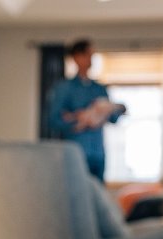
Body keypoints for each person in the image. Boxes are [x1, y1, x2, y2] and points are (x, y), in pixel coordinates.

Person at [49, 39, 126, 182]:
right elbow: (53, 120)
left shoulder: (99, 89)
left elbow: (113, 118)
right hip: (76, 153)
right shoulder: (64, 88)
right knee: (76, 192)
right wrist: (78, 120)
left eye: (92, 55)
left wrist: (115, 109)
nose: (91, 59)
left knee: (97, 192)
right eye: (87, 55)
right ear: (76, 57)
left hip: (98, 154)